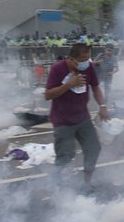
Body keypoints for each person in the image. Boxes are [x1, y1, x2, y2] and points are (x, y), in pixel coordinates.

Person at [45, 43, 110, 190]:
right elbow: (48, 95)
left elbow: (95, 87)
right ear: (72, 59)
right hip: (62, 121)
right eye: (83, 58)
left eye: (88, 57)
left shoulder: (89, 67)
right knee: (65, 155)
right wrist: (68, 84)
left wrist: (103, 106)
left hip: (82, 118)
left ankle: (86, 182)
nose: (86, 61)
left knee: (94, 148)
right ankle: (57, 184)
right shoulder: (57, 69)